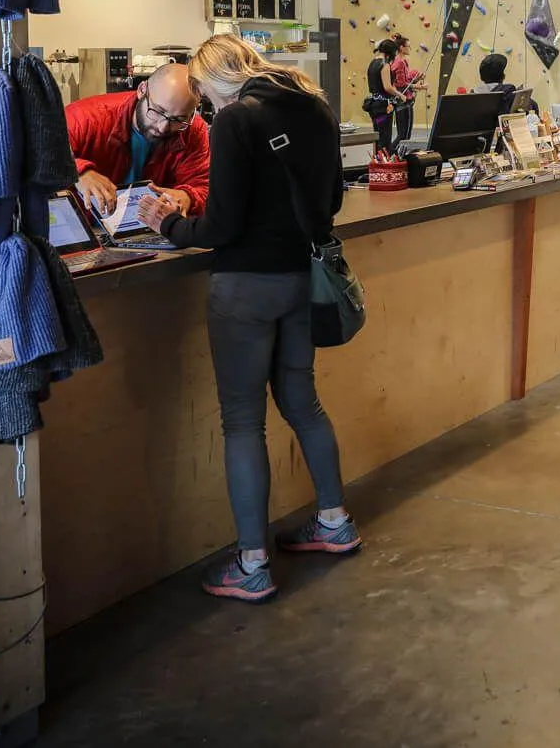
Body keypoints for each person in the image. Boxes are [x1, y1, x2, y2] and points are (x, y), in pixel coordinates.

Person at [136, 35, 354, 604]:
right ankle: (334, 522)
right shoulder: (315, 104)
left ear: (215, 78)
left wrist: (168, 225)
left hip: (245, 288)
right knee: (303, 402)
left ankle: (252, 564)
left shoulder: (236, 121)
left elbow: (222, 227)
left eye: (203, 94)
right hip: (300, 280)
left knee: (242, 421)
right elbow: (332, 198)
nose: (204, 106)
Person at [65, 63, 210, 218]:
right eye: (157, 111)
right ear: (142, 90)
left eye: (177, 119)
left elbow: (204, 187)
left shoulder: (192, 129)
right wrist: (77, 171)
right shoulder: (85, 118)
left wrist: (187, 197)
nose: (162, 127)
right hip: (81, 226)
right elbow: (40, 152)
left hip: (149, 229)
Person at [365, 36, 408, 152]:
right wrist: (400, 95)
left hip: (373, 105)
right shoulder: (384, 64)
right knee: (385, 137)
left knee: (378, 134)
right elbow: (387, 87)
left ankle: (378, 159)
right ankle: (385, 163)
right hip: (383, 107)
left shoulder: (372, 63)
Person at [386, 35, 422, 146]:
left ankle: (395, 157)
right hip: (403, 102)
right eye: (408, 46)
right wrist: (418, 87)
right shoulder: (400, 62)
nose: (409, 49)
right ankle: (391, 155)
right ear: (401, 47)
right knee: (404, 136)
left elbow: (405, 80)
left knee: (404, 135)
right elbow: (401, 84)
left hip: (404, 101)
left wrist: (416, 79)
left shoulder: (401, 61)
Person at [478, 52, 538, 116]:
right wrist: (519, 95)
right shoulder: (507, 90)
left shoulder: (474, 92)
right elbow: (532, 107)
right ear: (501, 75)